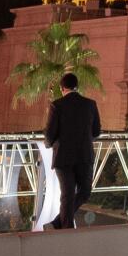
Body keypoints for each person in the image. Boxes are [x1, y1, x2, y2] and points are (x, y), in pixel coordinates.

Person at [44, 72, 100, 230]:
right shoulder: (91, 104)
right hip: (85, 156)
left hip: (64, 158)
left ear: (62, 88)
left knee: (67, 196)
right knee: (85, 192)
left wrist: (50, 144)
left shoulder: (57, 105)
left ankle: (62, 227)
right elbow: (96, 132)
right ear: (77, 87)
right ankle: (59, 225)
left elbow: (49, 136)